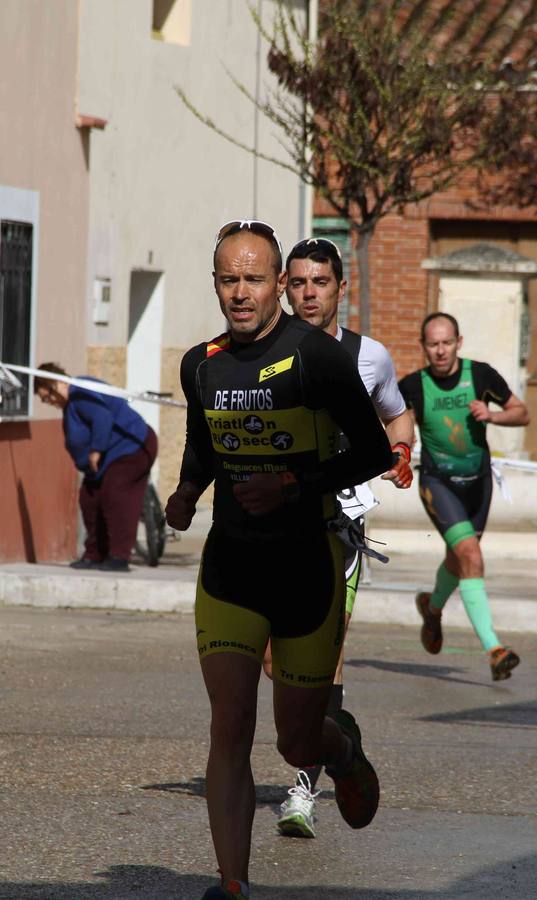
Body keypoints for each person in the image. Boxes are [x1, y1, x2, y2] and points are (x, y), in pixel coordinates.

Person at [166, 220, 393, 900]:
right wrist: (185, 490)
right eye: (229, 280)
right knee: (229, 724)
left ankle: (342, 750)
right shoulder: (199, 363)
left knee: (295, 744)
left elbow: (374, 452)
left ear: (278, 287)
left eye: (256, 279)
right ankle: (232, 883)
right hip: (232, 566)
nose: (242, 293)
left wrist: (292, 485)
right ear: (216, 284)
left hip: (306, 566)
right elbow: (204, 443)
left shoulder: (315, 357)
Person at [269, 237, 414, 841]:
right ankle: (336, 742)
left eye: (319, 282)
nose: (308, 293)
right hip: (273, 523)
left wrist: (401, 450)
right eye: (298, 282)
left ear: (339, 287)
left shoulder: (368, 356)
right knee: (277, 661)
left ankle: (302, 790)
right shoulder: (262, 354)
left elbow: (396, 415)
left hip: (339, 525)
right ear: (285, 286)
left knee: (322, 655)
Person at [398, 312, 530, 681]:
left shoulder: (481, 375)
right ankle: (494, 649)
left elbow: (522, 413)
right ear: (423, 346)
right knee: (470, 554)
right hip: (439, 484)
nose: (440, 351)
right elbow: (396, 424)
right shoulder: (412, 386)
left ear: (459, 342)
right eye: (432, 344)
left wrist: (492, 415)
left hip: (479, 484)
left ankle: (432, 605)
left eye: (446, 342)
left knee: (460, 562)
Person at [34, 363, 157, 572]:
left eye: (48, 396)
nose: (50, 402)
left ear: (57, 383)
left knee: (115, 494)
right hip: (103, 462)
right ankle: (94, 554)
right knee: (90, 499)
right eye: (45, 400)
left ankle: (119, 556)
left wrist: (96, 450)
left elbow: (102, 418)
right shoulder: (71, 404)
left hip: (132, 447)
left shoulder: (80, 391)